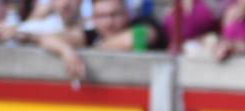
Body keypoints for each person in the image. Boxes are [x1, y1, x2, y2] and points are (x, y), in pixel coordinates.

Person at [38, 0, 166, 78]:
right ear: (93, 18)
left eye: (114, 15)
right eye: (102, 16)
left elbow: (137, 37)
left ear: (127, 14)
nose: (108, 22)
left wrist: (94, 48)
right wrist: (65, 50)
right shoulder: (92, 34)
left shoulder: (143, 22)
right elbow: (47, 38)